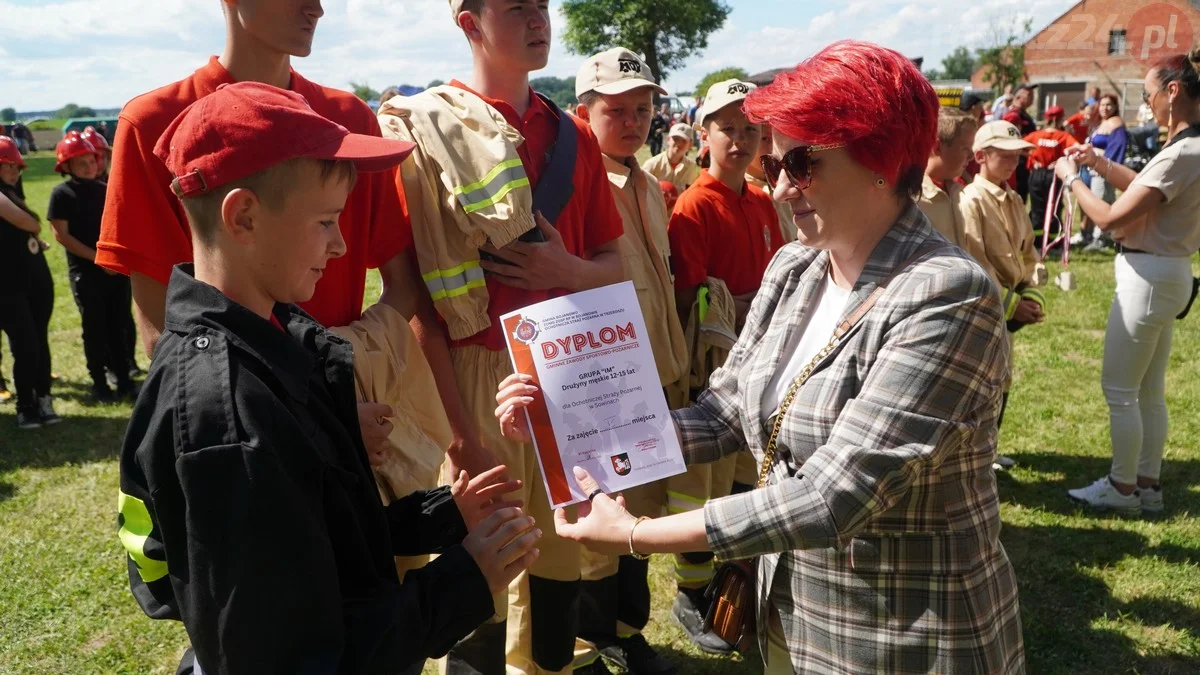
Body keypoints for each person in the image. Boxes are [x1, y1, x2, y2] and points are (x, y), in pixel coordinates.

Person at [496, 40, 1025, 674]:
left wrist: (637, 536)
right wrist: (577, 433)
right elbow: (724, 412)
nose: (777, 187)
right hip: (792, 623)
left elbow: (834, 496)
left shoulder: (947, 294)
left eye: (802, 164)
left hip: (903, 637)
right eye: (774, 165)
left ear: (881, 158)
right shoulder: (796, 267)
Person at [117, 81, 540, 675]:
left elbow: (318, 534)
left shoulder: (276, 343)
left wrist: (445, 516)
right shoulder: (230, 420)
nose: (342, 245)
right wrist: (464, 579)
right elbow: (293, 658)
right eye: (325, 221)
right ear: (243, 216)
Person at [378, 2, 626, 673]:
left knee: (559, 554)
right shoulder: (422, 130)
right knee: (479, 566)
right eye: (516, 8)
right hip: (470, 377)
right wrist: (460, 432)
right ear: (469, 22)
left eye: (542, 7)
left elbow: (614, 263)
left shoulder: (572, 135)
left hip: (567, 368)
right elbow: (416, 306)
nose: (538, 20)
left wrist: (562, 267)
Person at [95, 0, 406, 468]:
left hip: (360, 422)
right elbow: (161, 323)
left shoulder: (351, 122)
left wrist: (355, 386)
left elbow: (403, 286)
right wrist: (316, 415)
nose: (317, 10)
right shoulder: (152, 120)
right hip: (241, 431)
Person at [571, 47, 689, 675]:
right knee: (600, 515)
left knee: (645, 509)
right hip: (604, 384)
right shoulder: (578, 185)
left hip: (656, 373)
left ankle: (625, 628)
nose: (633, 121)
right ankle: (590, 638)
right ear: (582, 111)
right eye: (615, 109)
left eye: (642, 108)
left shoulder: (647, 184)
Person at [662, 77, 785, 655]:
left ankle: (728, 582)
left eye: (750, 130)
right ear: (704, 134)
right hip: (710, 372)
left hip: (759, 364)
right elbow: (688, 300)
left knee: (741, 478)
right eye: (728, 129)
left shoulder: (761, 200)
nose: (740, 141)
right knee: (700, 487)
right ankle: (690, 595)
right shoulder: (693, 206)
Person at [1060, 49, 1200, 515]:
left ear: (1173, 91)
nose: (1148, 103)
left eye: (1150, 92)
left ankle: (1122, 489)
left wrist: (1071, 180)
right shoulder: (1189, 149)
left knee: (1120, 391)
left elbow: (1111, 216)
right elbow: (1145, 186)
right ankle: (1147, 484)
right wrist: (1098, 163)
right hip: (1170, 272)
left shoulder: (1184, 151)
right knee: (1148, 392)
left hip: (1149, 276)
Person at [961, 121, 1047, 436]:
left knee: (1003, 375)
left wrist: (1031, 290)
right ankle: (980, 449)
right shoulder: (972, 200)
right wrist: (1011, 304)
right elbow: (976, 261)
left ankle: (993, 446)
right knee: (983, 378)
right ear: (981, 156)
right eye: (1006, 155)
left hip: (1009, 304)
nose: (1014, 162)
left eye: (1018, 156)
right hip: (986, 306)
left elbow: (1027, 249)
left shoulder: (1013, 198)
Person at [47, 134, 137, 402]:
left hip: (114, 272)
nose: (88, 166)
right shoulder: (61, 194)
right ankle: (100, 384)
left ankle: (124, 381)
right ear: (67, 166)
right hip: (86, 273)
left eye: (91, 160)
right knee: (95, 329)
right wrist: (98, 259)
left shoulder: (103, 189)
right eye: (80, 162)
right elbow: (62, 235)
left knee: (119, 326)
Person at [0, 136, 56, 429]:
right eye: (7, 165)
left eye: (17, 167)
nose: (14, 171)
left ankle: (43, 398)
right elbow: (30, 223)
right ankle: (25, 405)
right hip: (7, 285)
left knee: (39, 341)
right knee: (26, 344)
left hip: (35, 276)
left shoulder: (11, 192)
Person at [82, 124, 143, 380]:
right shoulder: (80, 190)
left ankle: (126, 362)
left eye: (102, 156)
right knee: (99, 321)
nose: (99, 162)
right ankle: (109, 366)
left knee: (124, 319)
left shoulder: (112, 182)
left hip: (119, 263)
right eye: (94, 156)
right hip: (92, 267)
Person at [918, 107, 978, 248]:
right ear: (937, 146)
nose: (971, 157)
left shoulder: (958, 192)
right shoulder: (914, 199)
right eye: (965, 148)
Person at [1080, 93, 1128, 250]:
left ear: (1115, 107)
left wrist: (1105, 166)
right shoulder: (1102, 123)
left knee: (1102, 202)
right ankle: (1106, 235)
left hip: (1103, 170)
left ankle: (1101, 238)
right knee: (1098, 200)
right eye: (1102, 105)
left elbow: (1118, 146)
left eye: (1109, 105)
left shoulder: (1116, 124)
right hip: (1092, 169)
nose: (1105, 108)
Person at [1024, 105, 1078, 238]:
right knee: (1054, 207)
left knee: (1037, 207)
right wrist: (1063, 159)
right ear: (1060, 119)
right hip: (1054, 175)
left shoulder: (1036, 135)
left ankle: (1037, 240)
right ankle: (1053, 241)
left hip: (1037, 173)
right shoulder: (1063, 136)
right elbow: (1077, 149)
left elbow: (1020, 146)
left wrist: (1031, 157)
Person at [744, 122, 798, 243]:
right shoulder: (742, 191)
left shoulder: (791, 184)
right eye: (765, 138)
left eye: (775, 139)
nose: (773, 147)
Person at [1002, 83, 1038, 199]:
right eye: (1029, 95)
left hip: (1024, 161)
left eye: (1033, 95)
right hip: (1017, 163)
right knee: (1017, 196)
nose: (1032, 98)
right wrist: (1029, 154)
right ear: (1018, 97)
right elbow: (1009, 142)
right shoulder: (1014, 116)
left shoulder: (1023, 114)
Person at [642, 123, 701, 193]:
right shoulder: (652, 164)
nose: (679, 144)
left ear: (690, 145)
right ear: (668, 140)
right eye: (676, 139)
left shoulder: (693, 168)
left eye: (684, 141)